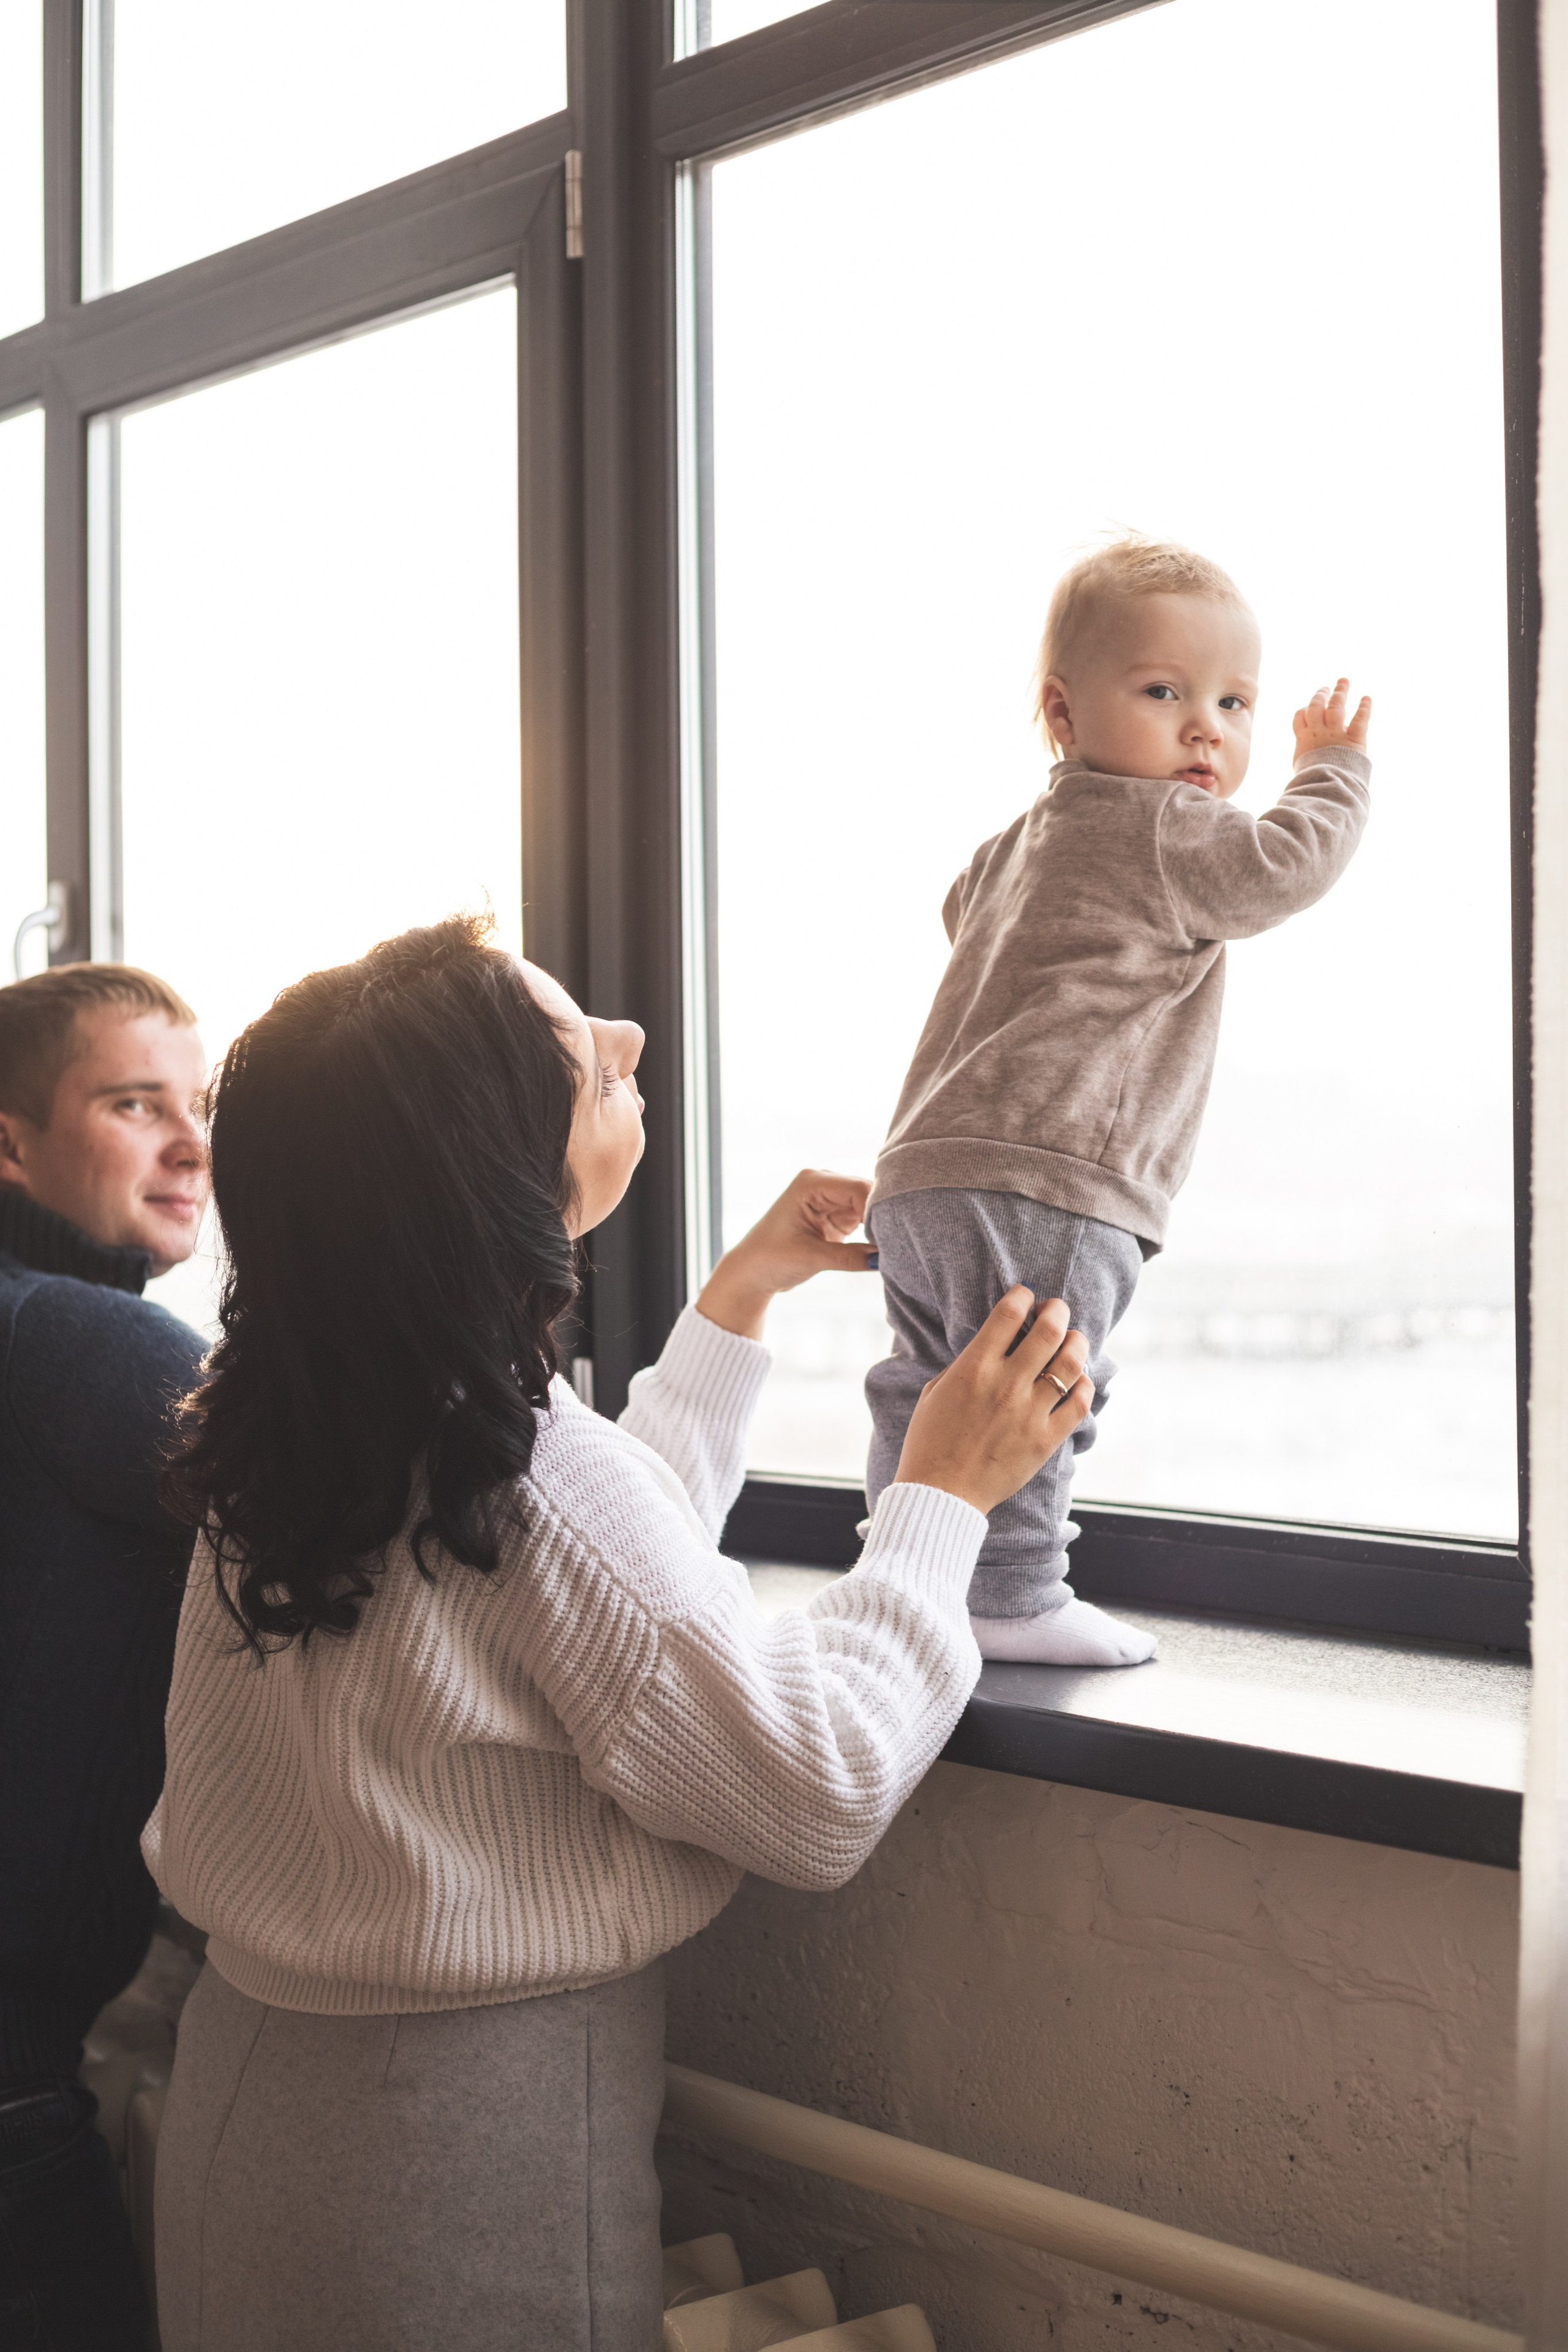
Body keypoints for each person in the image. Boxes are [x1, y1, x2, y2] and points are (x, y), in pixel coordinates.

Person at [145, 913, 1093, 2352]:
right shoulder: (526, 1470)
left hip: (241, 2098)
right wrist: (940, 1499)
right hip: (453, 2143)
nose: (630, 1043)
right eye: (581, 1053)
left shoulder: (301, 1413)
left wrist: (733, 1307)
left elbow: (581, 1595)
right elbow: (815, 1784)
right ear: (488, 1172)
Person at [865, 535, 1372, 1667]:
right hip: (1052, 1172)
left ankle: (904, 1573)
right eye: (1165, 692)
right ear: (1062, 711)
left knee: (927, 1384)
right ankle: (1012, 1593)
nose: (1209, 729)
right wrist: (1331, 765)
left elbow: (962, 914)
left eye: (1237, 703)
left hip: (922, 1172)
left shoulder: (1015, 844)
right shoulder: (1166, 826)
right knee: (1046, 1377)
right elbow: (1284, 866)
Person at [0, 962, 208, 2350]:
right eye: (137, 1105)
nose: (193, 1143)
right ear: (10, 1140)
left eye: (202, 1105)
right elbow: (406, 1521)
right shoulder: (85, 1343)